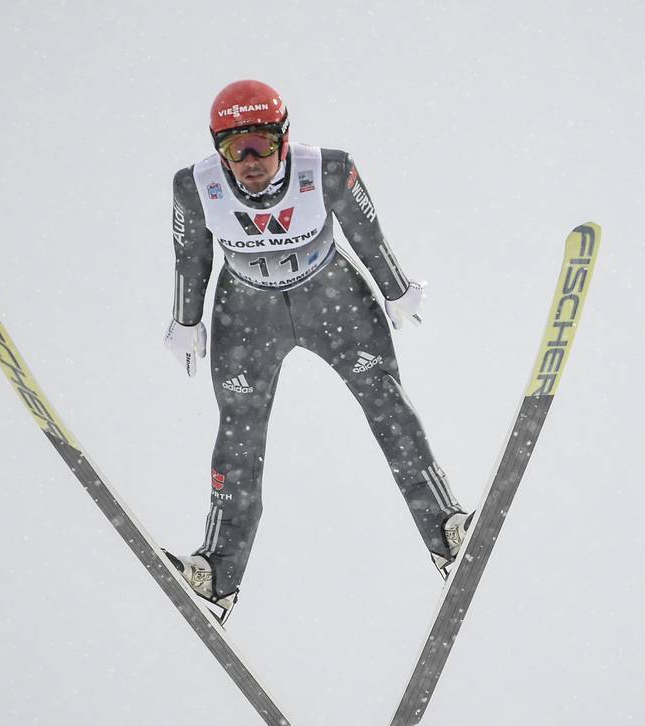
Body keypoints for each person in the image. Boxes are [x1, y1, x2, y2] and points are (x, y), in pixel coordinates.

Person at [163, 80, 471, 623]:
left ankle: (447, 531)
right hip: (247, 315)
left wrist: (396, 289)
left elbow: (368, 235)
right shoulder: (195, 186)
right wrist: (185, 320)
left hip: (333, 301)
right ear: (219, 151)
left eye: (261, 143)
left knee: (386, 404)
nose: (251, 161)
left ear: (285, 139)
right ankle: (217, 571)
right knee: (238, 433)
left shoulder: (327, 170)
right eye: (237, 149)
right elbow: (191, 257)